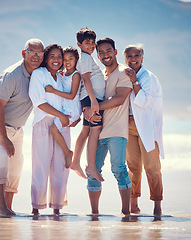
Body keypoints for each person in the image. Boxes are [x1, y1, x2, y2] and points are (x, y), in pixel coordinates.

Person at [0, 39, 44, 217]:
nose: (36, 56)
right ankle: (1, 208)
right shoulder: (11, 75)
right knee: (1, 156)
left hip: (16, 127)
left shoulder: (40, 73)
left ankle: (8, 207)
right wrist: (4, 139)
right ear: (24, 54)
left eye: (40, 53)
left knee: (17, 165)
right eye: (32, 52)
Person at [84, 38, 133, 215]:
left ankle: (125, 213)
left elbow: (120, 99)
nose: (105, 55)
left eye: (108, 51)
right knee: (92, 170)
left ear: (115, 51)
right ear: (97, 55)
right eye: (101, 52)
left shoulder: (123, 72)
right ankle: (94, 214)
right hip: (96, 131)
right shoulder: (101, 75)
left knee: (118, 168)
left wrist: (93, 107)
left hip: (116, 131)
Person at [28, 44, 71, 215]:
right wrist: (61, 115)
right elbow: (38, 101)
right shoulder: (39, 74)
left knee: (61, 166)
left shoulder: (62, 78)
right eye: (52, 56)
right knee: (41, 166)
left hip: (62, 125)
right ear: (46, 59)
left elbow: (69, 100)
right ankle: (36, 208)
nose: (56, 60)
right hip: (43, 123)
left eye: (59, 56)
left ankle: (57, 208)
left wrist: (70, 118)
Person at [123, 44, 164, 216]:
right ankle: (134, 204)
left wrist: (134, 82)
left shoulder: (148, 78)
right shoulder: (122, 74)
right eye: (130, 56)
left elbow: (145, 102)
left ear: (142, 57)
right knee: (132, 166)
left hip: (147, 127)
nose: (133, 59)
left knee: (152, 167)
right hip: (128, 125)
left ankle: (157, 204)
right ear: (125, 58)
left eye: (136, 55)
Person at [70, 27, 106, 182]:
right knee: (95, 130)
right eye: (87, 43)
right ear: (79, 44)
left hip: (90, 98)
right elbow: (86, 80)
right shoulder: (84, 58)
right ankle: (90, 165)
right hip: (92, 99)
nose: (91, 45)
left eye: (93, 42)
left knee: (85, 130)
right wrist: (92, 101)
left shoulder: (88, 57)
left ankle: (75, 162)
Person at [44, 47, 82, 168]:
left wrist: (53, 91)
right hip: (65, 108)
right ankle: (62, 155)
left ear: (76, 59)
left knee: (53, 130)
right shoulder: (64, 74)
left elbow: (71, 95)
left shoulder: (76, 75)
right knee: (54, 131)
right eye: (65, 59)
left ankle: (68, 153)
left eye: (71, 59)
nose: (67, 62)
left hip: (72, 110)